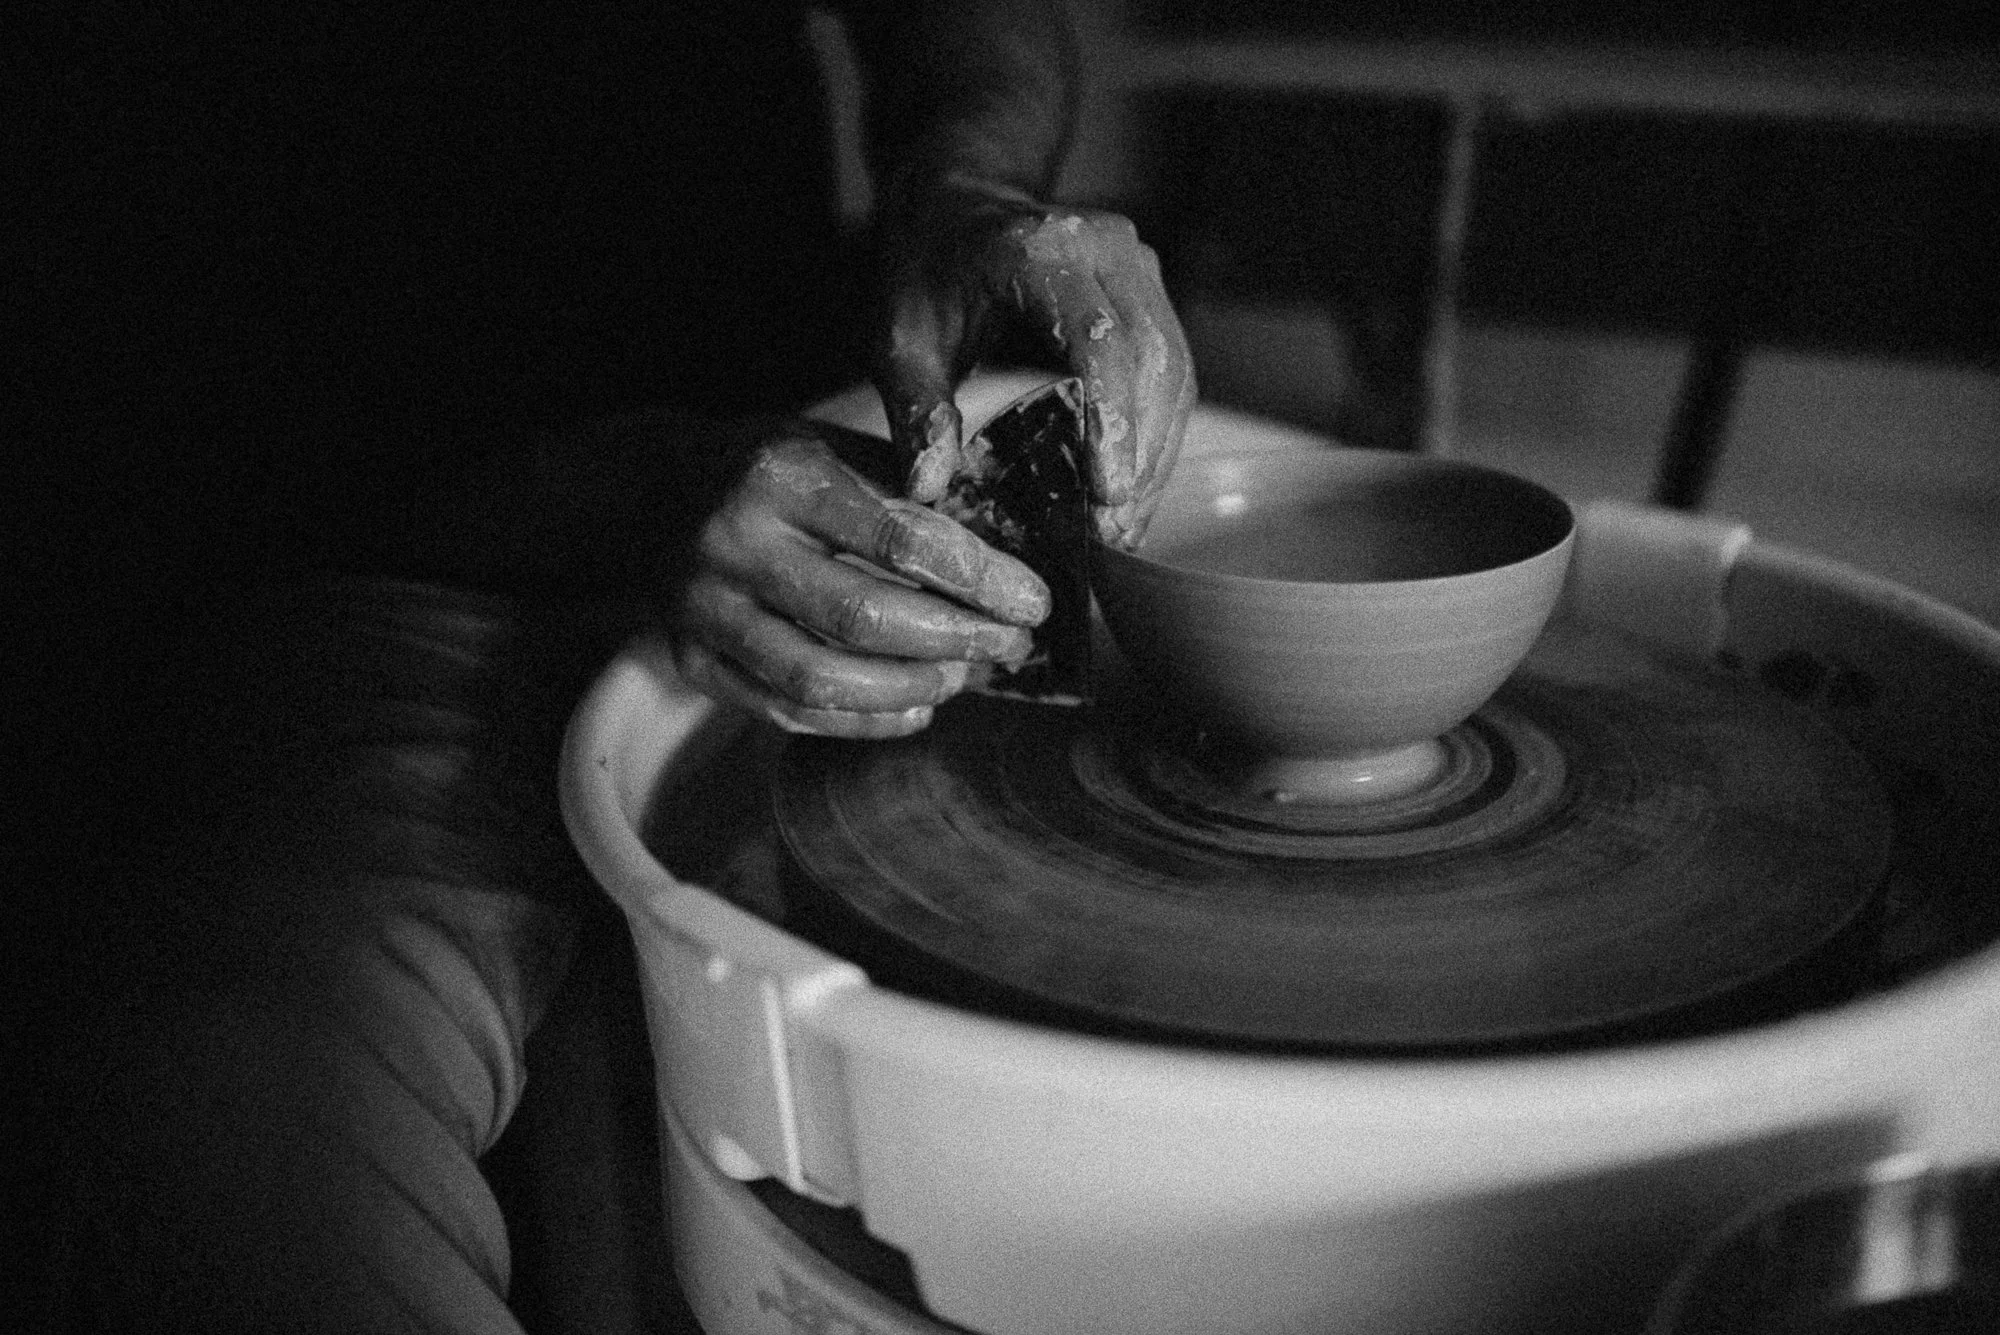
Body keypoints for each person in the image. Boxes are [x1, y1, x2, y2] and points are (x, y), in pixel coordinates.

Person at [9, 2, 1193, 1331]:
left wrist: (963, 184)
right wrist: (643, 489)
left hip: (812, 462)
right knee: (225, 1135)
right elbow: (129, 437)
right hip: (410, 556)